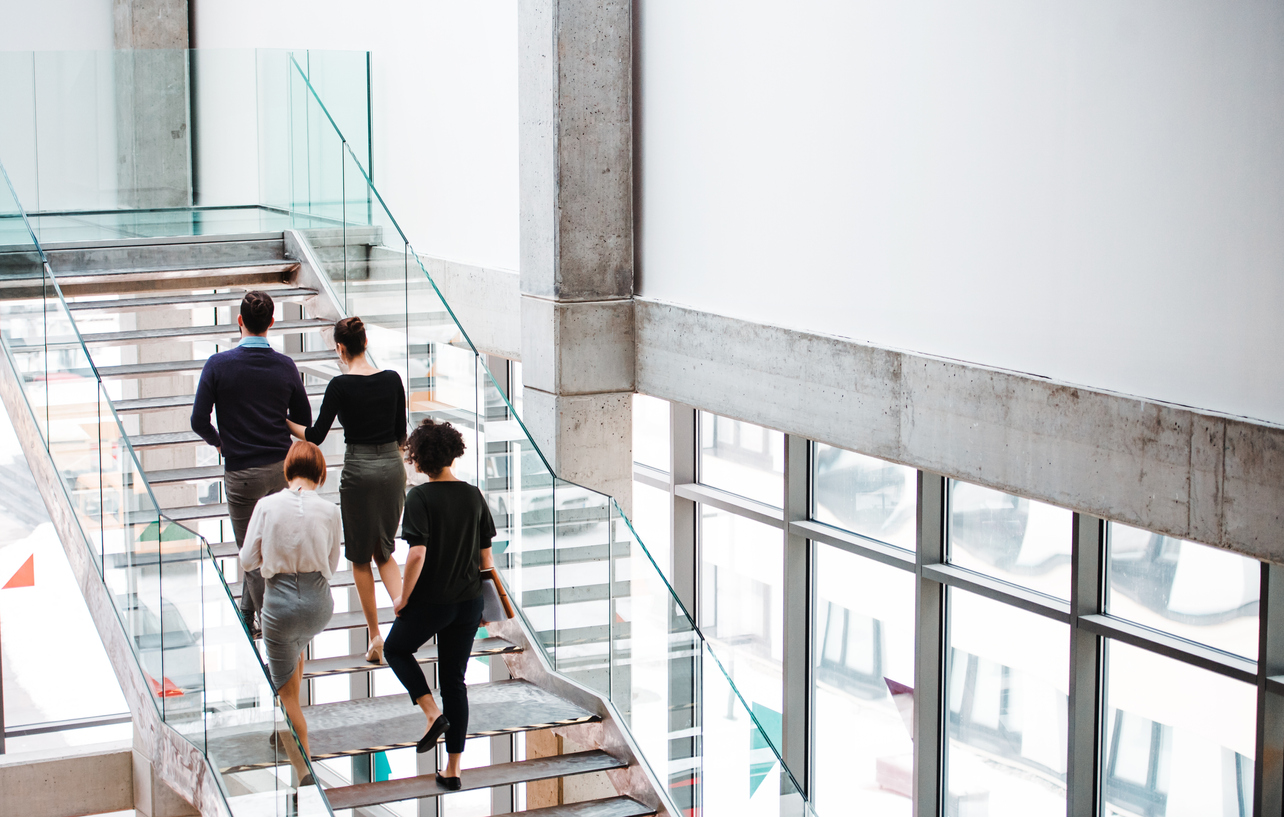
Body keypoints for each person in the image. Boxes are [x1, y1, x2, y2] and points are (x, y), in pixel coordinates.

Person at [191, 291, 312, 637]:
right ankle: (248, 615)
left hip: (241, 473)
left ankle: (270, 625)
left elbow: (199, 420)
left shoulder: (218, 365)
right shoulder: (285, 366)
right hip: (279, 469)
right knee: (270, 545)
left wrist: (221, 442)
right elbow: (303, 419)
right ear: (271, 324)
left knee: (251, 553)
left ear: (239, 321)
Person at [287, 316, 407, 663]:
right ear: (365, 343)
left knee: (359, 556)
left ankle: (374, 637)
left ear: (341, 348)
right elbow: (400, 433)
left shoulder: (340, 386)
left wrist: (283, 421)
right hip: (391, 468)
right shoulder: (392, 380)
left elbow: (315, 436)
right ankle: (404, 619)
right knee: (385, 551)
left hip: (358, 471)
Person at [384, 418, 496, 791]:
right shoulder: (473, 495)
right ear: (452, 452)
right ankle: (453, 770)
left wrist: (403, 597)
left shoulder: (420, 497)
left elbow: (416, 555)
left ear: (419, 458)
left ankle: (432, 715)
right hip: (468, 604)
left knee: (395, 649)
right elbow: (487, 562)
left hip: (433, 602)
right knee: (455, 682)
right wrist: (485, 609)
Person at [240, 441, 342, 771]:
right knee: (295, 650)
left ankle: (304, 771)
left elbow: (246, 560)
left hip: (280, 606)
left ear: (287, 470)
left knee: (287, 697)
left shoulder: (267, 506)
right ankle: (286, 735)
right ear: (321, 473)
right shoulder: (329, 511)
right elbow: (333, 562)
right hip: (317, 605)